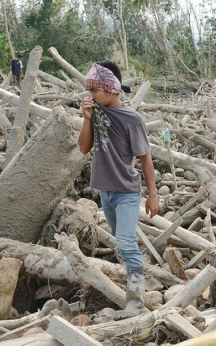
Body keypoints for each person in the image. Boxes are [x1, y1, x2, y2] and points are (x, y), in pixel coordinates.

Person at [78, 60, 159, 321]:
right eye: (89, 90)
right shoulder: (96, 113)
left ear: (111, 89)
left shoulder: (132, 120)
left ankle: (136, 303)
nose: (91, 96)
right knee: (120, 243)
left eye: (95, 91)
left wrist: (153, 194)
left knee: (126, 242)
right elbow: (83, 147)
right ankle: (132, 278)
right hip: (105, 191)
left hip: (126, 191)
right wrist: (86, 119)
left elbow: (145, 159)